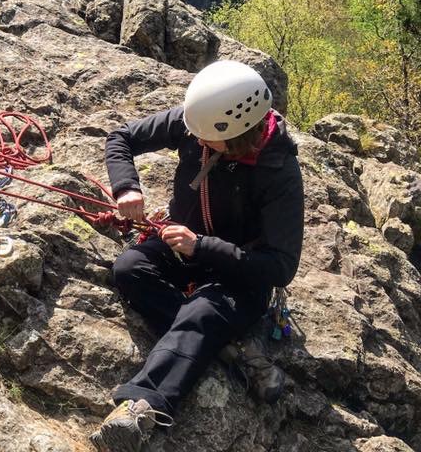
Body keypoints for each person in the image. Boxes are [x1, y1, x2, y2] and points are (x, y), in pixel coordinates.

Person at [90, 60, 305, 452]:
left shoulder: (279, 172)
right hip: (181, 242)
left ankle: (140, 409)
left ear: (240, 134)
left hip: (240, 272)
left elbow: (281, 266)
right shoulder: (202, 123)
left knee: (202, 312)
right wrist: (126, 188)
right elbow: (121, 137)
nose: (197, 142)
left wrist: (201, 246)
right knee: (130, 268)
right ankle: (232, 347)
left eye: (209, 141)